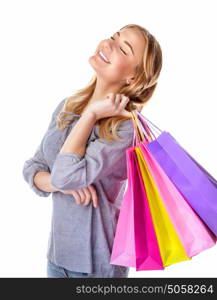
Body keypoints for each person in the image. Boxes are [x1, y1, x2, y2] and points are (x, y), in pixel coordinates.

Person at [22, 24, 162, 278]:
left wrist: (92, 115)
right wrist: (60, 184)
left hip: (96, 266)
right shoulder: (68, 107)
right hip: (57, 257)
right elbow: (32, 169)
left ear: (133, 78)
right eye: (113, 37)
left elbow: (62, 174)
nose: (108, 44)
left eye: (123, 48)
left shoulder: (124, 129)